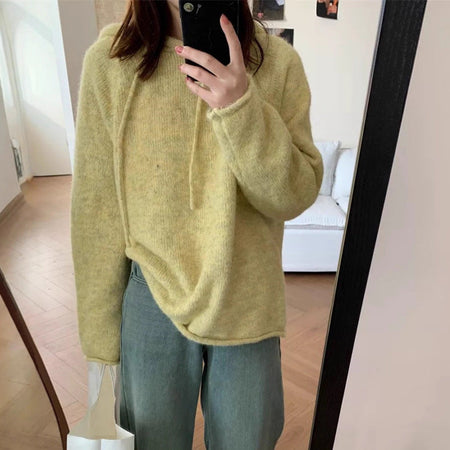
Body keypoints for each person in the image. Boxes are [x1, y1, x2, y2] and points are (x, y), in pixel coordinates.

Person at [71, 0, 323, 448]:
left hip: (248, 297)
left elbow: (293, 196)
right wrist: (100, 344)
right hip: (151, 293)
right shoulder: (110, 62)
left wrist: (242, 108)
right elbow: (97, 212)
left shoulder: (279, 64)